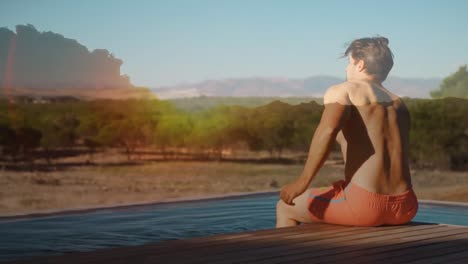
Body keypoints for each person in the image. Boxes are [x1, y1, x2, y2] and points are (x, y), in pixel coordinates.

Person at [276, 36, 418, 228]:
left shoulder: (344, 91)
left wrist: (301, 183)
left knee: (285, 207)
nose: (346, 69)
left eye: (349, 63)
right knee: (331, 202)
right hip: (405, 206)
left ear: (360, 64)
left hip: (366, 206)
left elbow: (327, 132)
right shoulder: (399, 104)